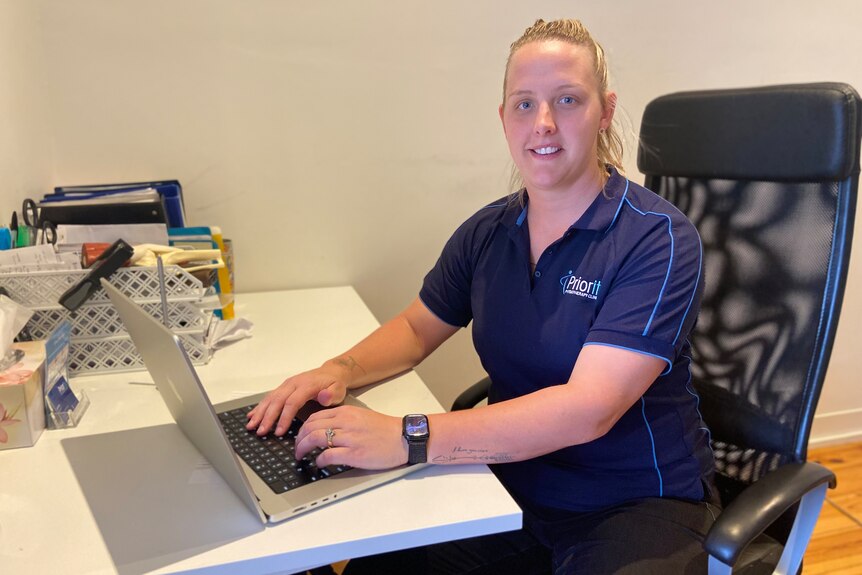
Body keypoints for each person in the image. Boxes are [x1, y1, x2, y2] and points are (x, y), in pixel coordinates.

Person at [247, 18, 718, 574]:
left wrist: (408, 437)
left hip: (632, 500)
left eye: (567, 99)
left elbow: (586, 411)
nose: (543, 123)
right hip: (512, 478)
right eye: (524, 104)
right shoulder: (490, 231)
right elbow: (418, 328)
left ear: (605, 111)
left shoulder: (655, 238)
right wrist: (340, 370)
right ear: (503, 118)